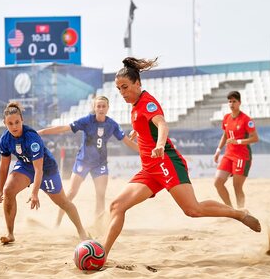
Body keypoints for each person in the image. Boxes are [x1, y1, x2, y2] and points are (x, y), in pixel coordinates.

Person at [102, 57, 261, 259]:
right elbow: (147, 125)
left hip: (166, 162)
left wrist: (160, 144)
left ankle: (239, 213)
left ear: (137, 83)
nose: (122, 93)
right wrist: (138, 132)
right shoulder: (135, 105)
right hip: (150, 170)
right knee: (117, 205)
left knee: (193, 210)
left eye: (125, 87)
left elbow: (162, 125)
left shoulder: (147, 103)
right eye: (119, 89)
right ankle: (102, 254)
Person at [0, 101, 88, 244]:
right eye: (10, 123)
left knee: (63, 203)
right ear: (4, 123)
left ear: (22, 120)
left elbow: (39, 169)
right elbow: (4, 166)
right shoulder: (5, 139)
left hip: (46, 169)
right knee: (8, 191)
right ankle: (10, 234)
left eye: (17, 122)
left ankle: (82, 231)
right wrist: (0, 190)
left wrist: (34, 193)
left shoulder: (32, 137)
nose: (14, 126)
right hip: (25, 166)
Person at [38, 95, 138, 226]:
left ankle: (98, 226)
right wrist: (42, 132)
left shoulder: (112, 124)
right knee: (71, 193)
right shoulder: (87, 121)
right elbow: (64, 128)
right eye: (98, 106)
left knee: (100, 196)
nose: (101, 108)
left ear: (108, 108)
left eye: (103, 106)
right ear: (94, 108)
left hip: (100, 164)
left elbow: (127, 141)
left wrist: (144, 152)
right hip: (83, 162)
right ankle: (57, 222)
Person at [213, 91, 259, 209]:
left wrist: (237, 141)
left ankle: (241, 212)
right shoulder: (226, 118)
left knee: (237, 187)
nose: (231, 104)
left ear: (239, 103)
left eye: (234, 101)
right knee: (218, 183)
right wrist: (218, 150)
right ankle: (230, 210)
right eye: (230, 101)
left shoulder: (246, 119)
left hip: (242, 157)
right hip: (229, 154)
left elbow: (255, 138)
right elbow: (225, 135)